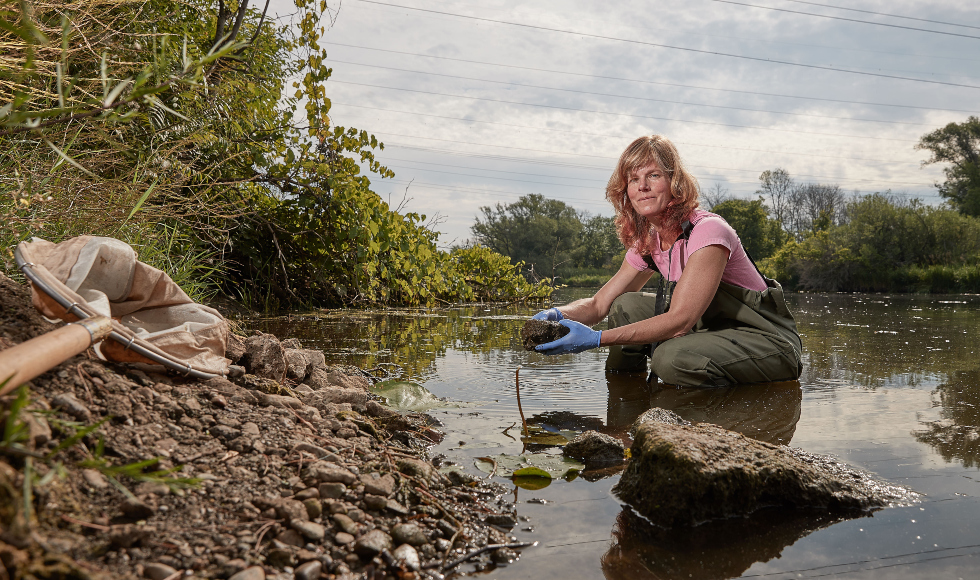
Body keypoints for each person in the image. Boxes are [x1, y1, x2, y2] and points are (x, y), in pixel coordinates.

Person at [531, 135, 803, 387]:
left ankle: (705, 422)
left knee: (671, 358)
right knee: (625, 303)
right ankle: (621, 409)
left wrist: (596, 339)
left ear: (675, 183)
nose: (643, 187)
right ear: (626, 191)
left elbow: (681, 320)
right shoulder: (648, 241)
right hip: (711, 331)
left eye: (653, 175)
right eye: (634, 179)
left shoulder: (709, 231)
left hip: (767, 342)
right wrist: (557, 315)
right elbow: (599, 304)